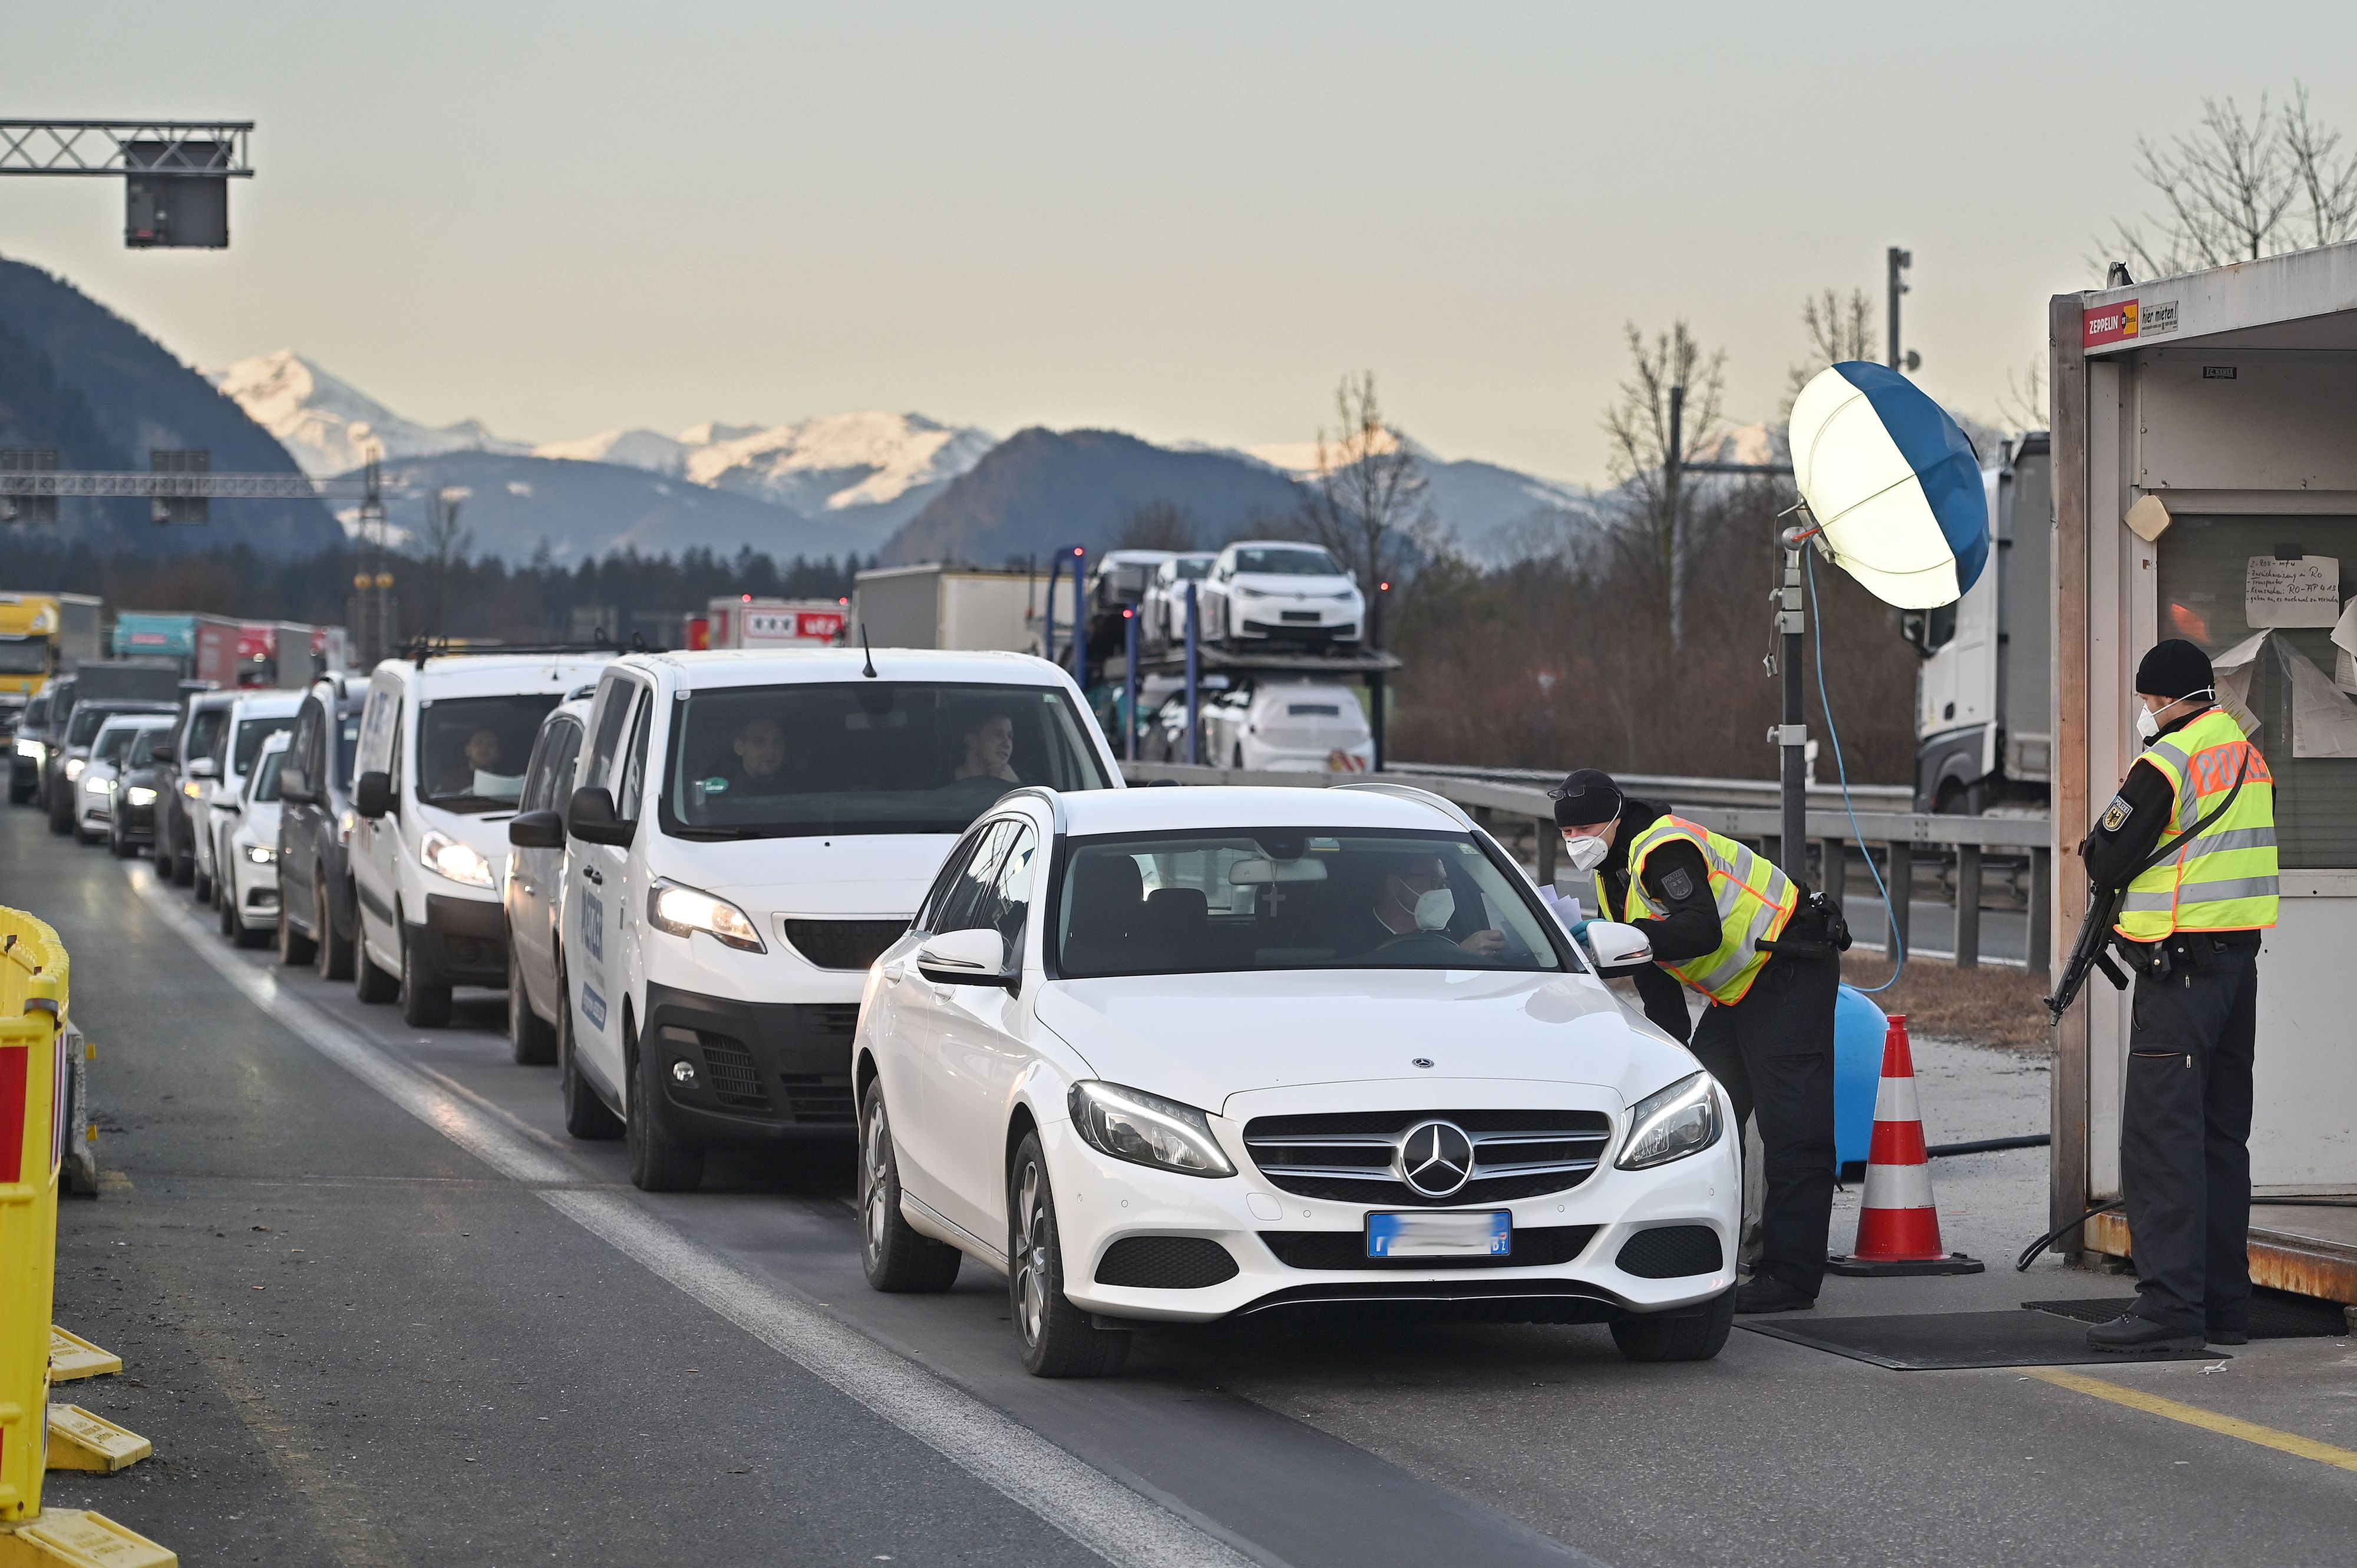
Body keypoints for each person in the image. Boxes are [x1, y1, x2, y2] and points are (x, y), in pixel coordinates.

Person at [1553, 767, 1838, 1314]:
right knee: (1701, 1114)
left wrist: (1633, 936)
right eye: (1566, 833)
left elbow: (1699, 928)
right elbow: (1653, 968)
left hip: (1789, 965)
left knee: (1793, 1129)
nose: (1576, 840)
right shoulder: (1613, 873)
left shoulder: (1663, 849)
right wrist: (1669, 1052)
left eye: (1585, 826)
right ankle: (1702, 1254)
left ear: (1615, 815)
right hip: (1740, 989)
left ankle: (1792, 1275)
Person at [2076, 638, 2276, 1353]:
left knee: (2163, 1141)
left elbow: (2105, 853)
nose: (2143, 711)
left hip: (2179, 975)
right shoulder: (2246, 754)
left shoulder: (2169, 758)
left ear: (2161, 698)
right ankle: (2224, 1305)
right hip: (2235, 970)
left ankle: (2167, 1312)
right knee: (2221, 1142)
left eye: (2144, 700)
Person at [1362, 853, 1506, 958]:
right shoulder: (1353, 942)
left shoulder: (1451, 935)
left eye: (1445, 883)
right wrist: (1459, 955)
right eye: (1435, 881)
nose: (1444, 890)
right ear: (1395, 885)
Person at [955, 709, 1021, 784]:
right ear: (972, 740)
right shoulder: (942, 783)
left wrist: (1015, 785)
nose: (1007, 744)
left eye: (1010, 737)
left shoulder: (1021, 779)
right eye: (998, 735)